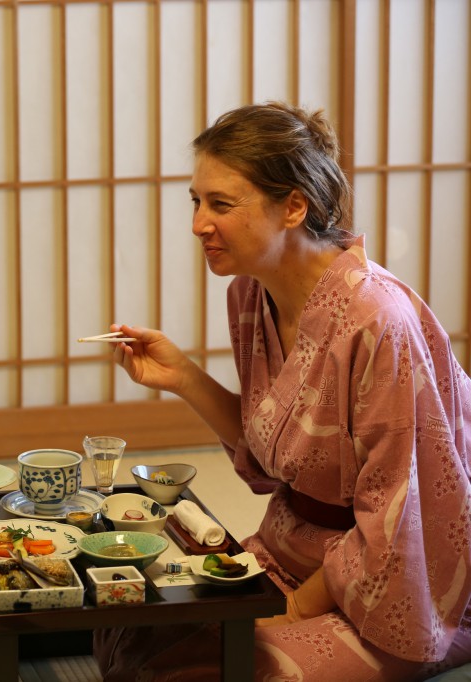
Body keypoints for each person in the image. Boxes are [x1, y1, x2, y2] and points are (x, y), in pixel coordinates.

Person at [94, 102, 471, 680]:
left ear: (294, 206)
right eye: (196, 202)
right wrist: (184, 377)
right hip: (294, 550)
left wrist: (289, 613)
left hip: (395, 580)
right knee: (122, 627)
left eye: (221, 204)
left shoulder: (378, 321)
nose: (199, 223)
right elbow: (274, 461)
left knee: (199, 673)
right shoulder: (249, 296)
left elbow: (398, 517)